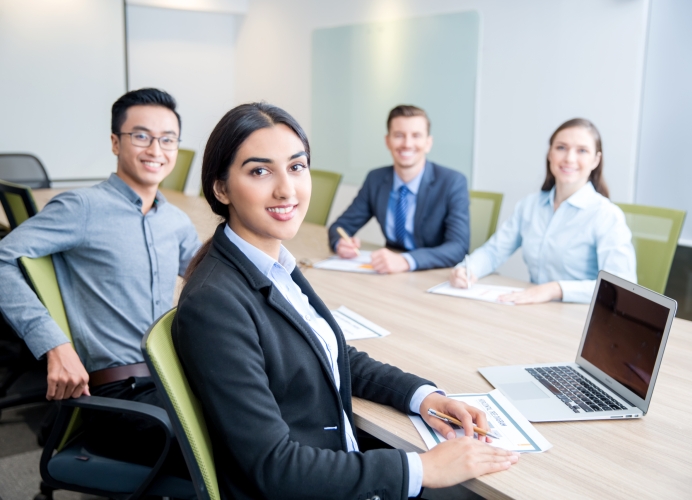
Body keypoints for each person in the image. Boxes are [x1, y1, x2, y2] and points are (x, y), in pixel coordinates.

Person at [174, 102, 518, 499]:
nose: (286, 189)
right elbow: (274, 467)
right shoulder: (216, 303)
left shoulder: (272, 263)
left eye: (297, 166)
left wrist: (425, 398)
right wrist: (422, 467)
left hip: (338, 464)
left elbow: (329, 351)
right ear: (221, 187)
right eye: (260, 171)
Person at [0, 88, 200, 465]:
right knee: (241, 452)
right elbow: (2, 260)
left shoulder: (175, 221)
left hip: (171, 381)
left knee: (268, 422)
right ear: (115, 142)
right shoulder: (82, 208)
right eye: (141, 136)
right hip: (120, 396)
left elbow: (211, 278)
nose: (156, 150)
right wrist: (53, 345)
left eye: (167, 139)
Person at [450, 118, 636, 304]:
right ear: (550, 154)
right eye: (561, 147)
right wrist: (468, 269)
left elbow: (620, 287)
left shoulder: (605, 215)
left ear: (595, 160)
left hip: (580, 318)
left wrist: (556, 289)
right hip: (535, 311)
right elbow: (494, 252)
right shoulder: (530, 205)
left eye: (582, 150)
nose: (569, 158)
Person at [328, 105, 470, 273]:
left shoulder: (452, 182)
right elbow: (340, 227)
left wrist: (406, 261)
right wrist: (341, 243)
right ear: (387, 141)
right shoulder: (376, 179)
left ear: (428, 143)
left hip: (434, 273)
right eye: (399, 135)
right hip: (388, 275)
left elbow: (459, 247)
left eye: (416, 136)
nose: (407, 144)